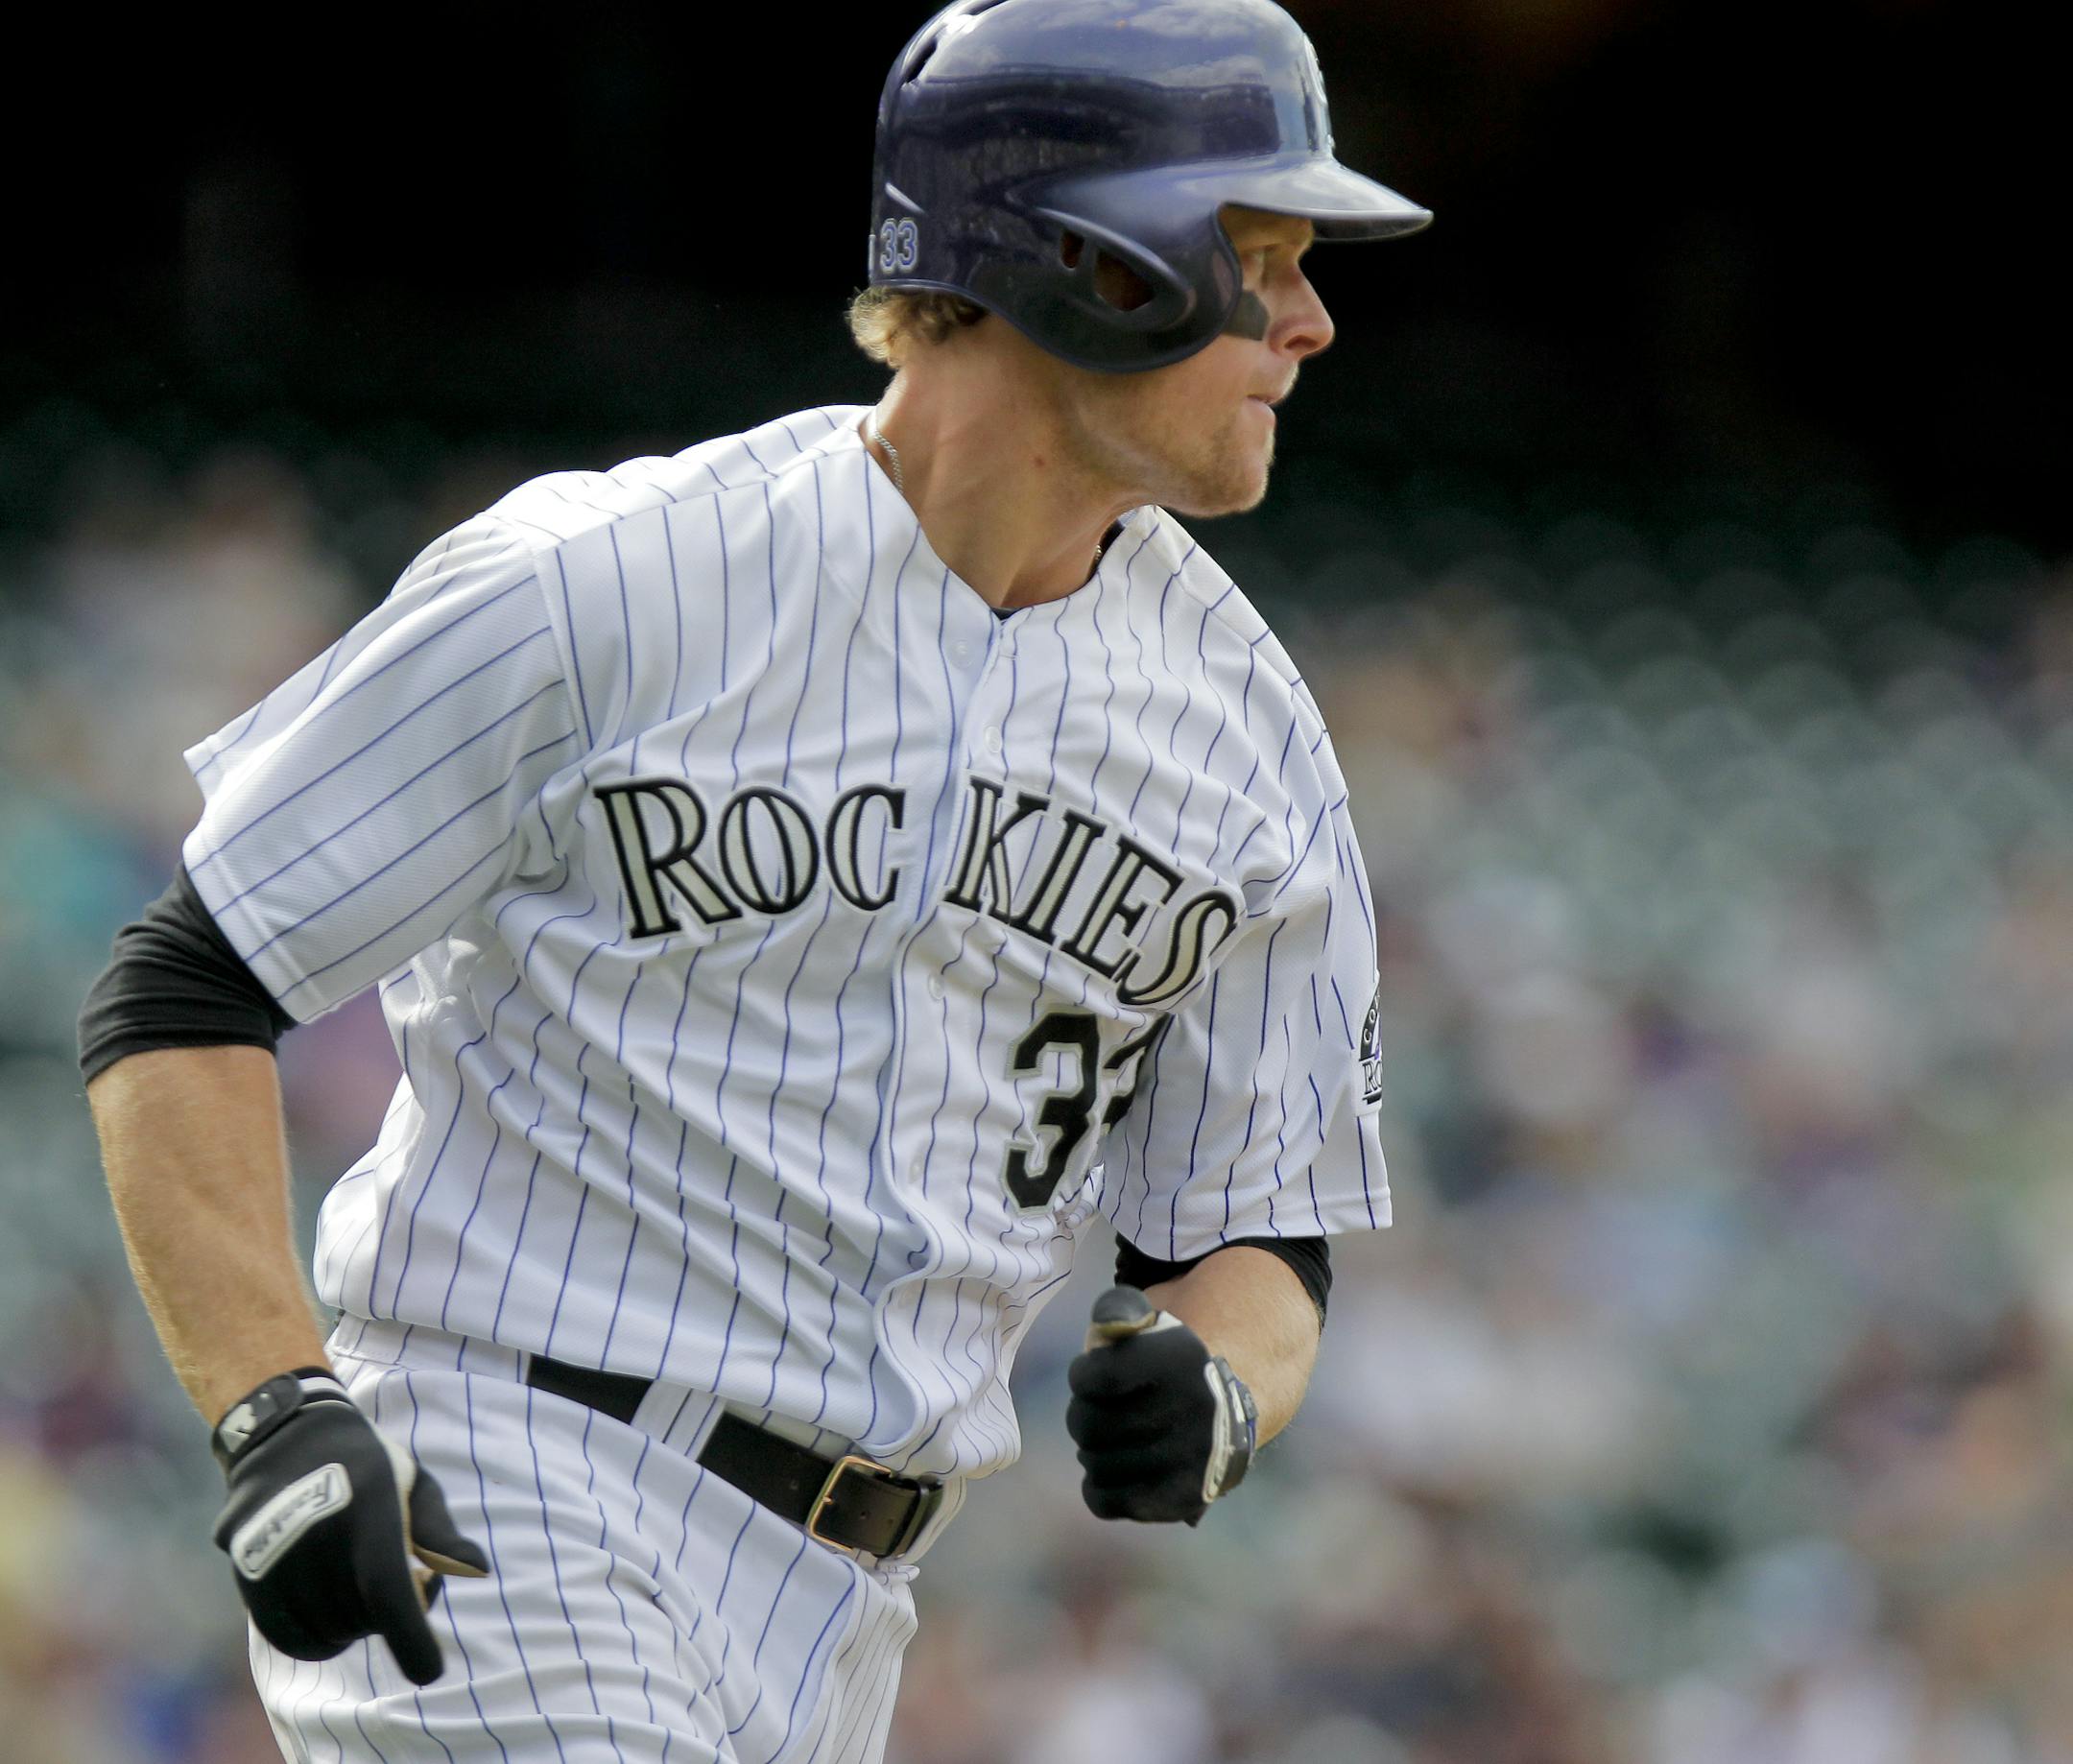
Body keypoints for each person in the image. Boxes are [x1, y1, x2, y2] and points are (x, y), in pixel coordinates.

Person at [77, 1, 1429, 1758]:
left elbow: (1257, 1225)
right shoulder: (612, 584)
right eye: (1263, 258)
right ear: (1104, 264)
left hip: (851, 1608)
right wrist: (271, 1404)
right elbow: (188, 978)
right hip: (511, 1486)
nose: (1312, 324)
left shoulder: (1253, 743)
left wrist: (1224, 1383)